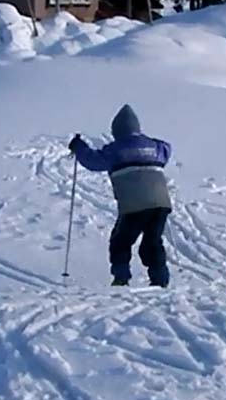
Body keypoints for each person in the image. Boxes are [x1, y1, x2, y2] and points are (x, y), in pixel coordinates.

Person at [68, 105, 173, 287]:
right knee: (153, 241)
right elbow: (166, 149)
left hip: (134, 204)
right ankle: (160, 280)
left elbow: (93, 161)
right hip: (161, 203)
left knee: (120, 240)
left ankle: (121, 279)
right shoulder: (156, 147)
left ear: (117, 130)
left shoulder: (116, 149)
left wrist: (78, 146)